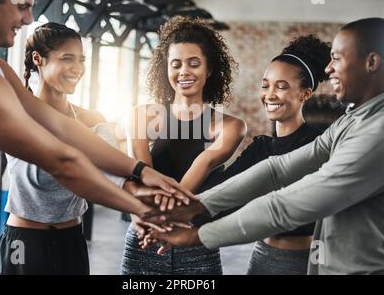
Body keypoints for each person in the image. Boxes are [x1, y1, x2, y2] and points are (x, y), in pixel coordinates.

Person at [0, 0, 190, 275]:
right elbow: (62, 162)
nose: (28, 18)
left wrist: (140, 170)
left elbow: (61, 127)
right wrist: (141, 209)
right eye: (22, 7)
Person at [144, 17, 384, 275]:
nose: (328, 68)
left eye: (337, 58)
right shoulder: (352, 121)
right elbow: (276, 170)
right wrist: (198, 205)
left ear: (371, 62)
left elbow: (285, 207)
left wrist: (198, 235)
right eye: (266, 85)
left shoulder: (376, 132)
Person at [121, 16, 246, 275]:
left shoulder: (230, 126)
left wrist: (156, 218)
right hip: (144, 237)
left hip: (196, 244)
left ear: (209, 69)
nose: (184, 72)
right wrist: (143, 219)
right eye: (175, 64)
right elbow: (139, 174)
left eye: (194, 63)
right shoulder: (142, 115)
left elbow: (203, 164)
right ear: (165, 68)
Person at [197, 35, 330, 274]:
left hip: (304, 262)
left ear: (305, 94)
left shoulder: (319, 146)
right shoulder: (261, 148)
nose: (269, 95)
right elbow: (224, 194)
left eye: (282, 86)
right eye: (265, 85)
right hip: (261, 258)